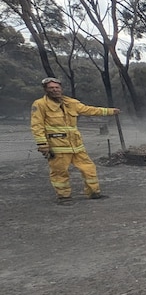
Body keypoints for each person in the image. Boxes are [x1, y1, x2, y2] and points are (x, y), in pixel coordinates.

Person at [30, 77, 120, 205]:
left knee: (89, 168)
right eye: (51, 88)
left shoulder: (70, 103)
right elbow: (36, 125)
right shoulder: (39, 105)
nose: (55, 90)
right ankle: (64, 197)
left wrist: (110, 111)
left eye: (57, 87)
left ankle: (94, 192)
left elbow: (89, 110)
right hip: (57, 146)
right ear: (45, 90)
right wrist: (43, 144)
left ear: (61, 88)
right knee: (60, 172)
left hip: (76, 146)